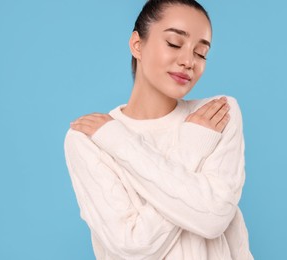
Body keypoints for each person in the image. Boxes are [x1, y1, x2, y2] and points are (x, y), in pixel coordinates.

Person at [64, 0, 253, 259]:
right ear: (137, 45)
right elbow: (132, 246)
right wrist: (191, 146)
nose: (189, 61)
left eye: (201, 53)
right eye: (174, 43)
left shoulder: (218, 113)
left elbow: (214, 218)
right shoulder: (90, 139)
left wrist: (122, 145)